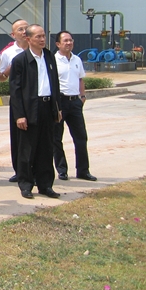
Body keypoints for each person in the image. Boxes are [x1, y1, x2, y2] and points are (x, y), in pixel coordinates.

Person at [8, 24, 62, 200]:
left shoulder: (49, 56)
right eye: (38, 36)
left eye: (43, 36)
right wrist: (19, 115)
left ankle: (45, 185)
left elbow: (55, 83)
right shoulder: (20, 60)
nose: (42, 39)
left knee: (46, 148)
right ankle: (26, 184)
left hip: (47, 106)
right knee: (27, 149)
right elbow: (15, 90)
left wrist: (57, 107)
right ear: (28, 39)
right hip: (30, 108)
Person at [53, 31, 97, 182]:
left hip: (75, 102)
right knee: (56, 138)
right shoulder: (53, 60)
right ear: (58, 44)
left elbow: (80, 79)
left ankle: (83, 171)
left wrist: (82, 97)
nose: (69, 43)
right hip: (59, 102)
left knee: (81, 137)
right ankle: (62, 170)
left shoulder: (77, 59)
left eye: (70, 40)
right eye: (65, 41)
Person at [0, 19, 29, 182]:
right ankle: (19, 170)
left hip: (36, 98)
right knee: (17, 136)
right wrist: (11, 67)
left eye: (26, 28)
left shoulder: (39, 50)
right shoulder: (8, 53)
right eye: (20, 29)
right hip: (19, 99)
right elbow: (1, 77)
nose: (24, 32)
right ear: (13, 34)